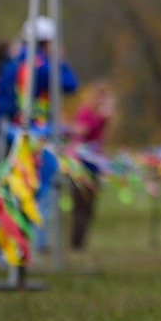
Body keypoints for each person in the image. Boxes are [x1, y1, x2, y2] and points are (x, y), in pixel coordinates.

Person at [67, 81, 116, 251]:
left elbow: (102, 139)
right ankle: (75, 243)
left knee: (89, 207)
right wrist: (101, 119)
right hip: (80, 165)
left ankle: (80, 243)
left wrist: (105, 121)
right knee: (79, 205)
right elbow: (82, 132)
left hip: (94, 165)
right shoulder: (86, 112)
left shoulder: (102, 118)